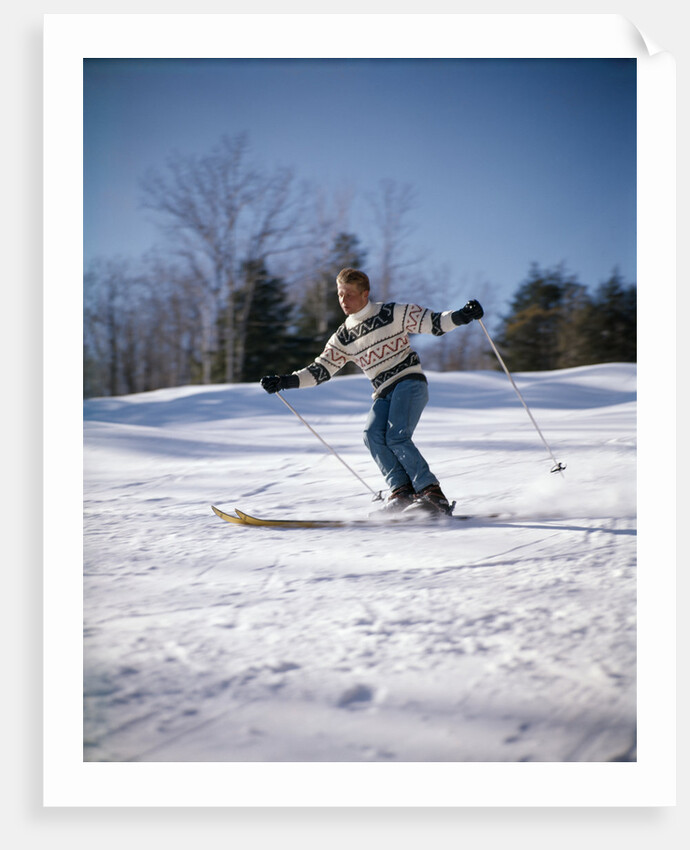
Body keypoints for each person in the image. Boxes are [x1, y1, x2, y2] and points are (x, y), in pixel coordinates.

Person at [260, 268, 484, 515]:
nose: (343, 301)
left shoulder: (392, 313)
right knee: (372, 435)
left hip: (409, 382)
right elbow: (320, 370)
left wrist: (463, 315)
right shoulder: (344, 336)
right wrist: (285, 381)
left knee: (396, 436)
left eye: (349, 295)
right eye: (339, 295)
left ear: (365, 293)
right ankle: (402, 492)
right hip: (383, 390)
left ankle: (432, 494)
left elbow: (434, 323)